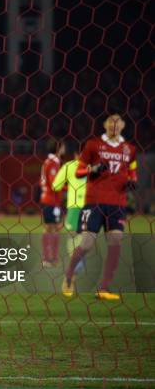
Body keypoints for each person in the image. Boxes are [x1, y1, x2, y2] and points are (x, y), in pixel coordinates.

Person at [62, 114, 137, 300]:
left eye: (117, 121)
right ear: (104, 125)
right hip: (94, 202)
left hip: (117, 203)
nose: (114, 125)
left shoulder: (130, 149)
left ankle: (104, 287)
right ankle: (69, 277)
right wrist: (92, 169)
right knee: (87, 243)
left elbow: (133, 173)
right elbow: (79, 171)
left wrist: (131, 182)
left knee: (116, 240)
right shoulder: (93, 145)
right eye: (110, 121)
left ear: (123, 125)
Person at [52, 144, 87, 274]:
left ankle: (76, 263)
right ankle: (80, 260)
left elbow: (56, 186)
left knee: (72, 234)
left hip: (75, 205)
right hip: (92, 206)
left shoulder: (69, 166)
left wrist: (69, 187)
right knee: (86, 233)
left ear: (76, 154)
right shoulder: (94, 168)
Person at [40, 141, 65, 267]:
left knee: (49, 228)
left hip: (47, 199)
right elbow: (55, 184)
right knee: (54, 228)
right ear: (58, 148)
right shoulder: (54, 163)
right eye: (63, 146)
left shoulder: (47, 162)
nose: (65, 149)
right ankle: (51, 258)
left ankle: (47, 258)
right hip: (52, 200)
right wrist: (68, 186)